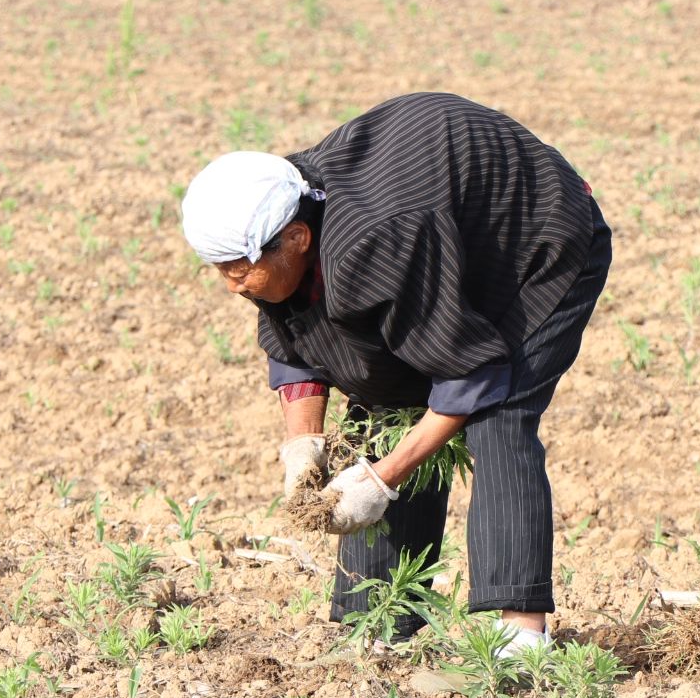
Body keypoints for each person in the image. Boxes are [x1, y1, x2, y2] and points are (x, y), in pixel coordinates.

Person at [180, 92, 612, 654]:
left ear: (298, 239)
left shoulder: (372, 241)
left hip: (537, 246)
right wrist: (303, 444)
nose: (233, 286)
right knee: (383, 398)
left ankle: (520, 641)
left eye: (241, 271)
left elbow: (467, 375)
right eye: (220, 271)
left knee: (498, 415)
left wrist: (383, 477)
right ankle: (378, 625)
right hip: (439, 238)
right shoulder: (275, 207)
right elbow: (298, 334)